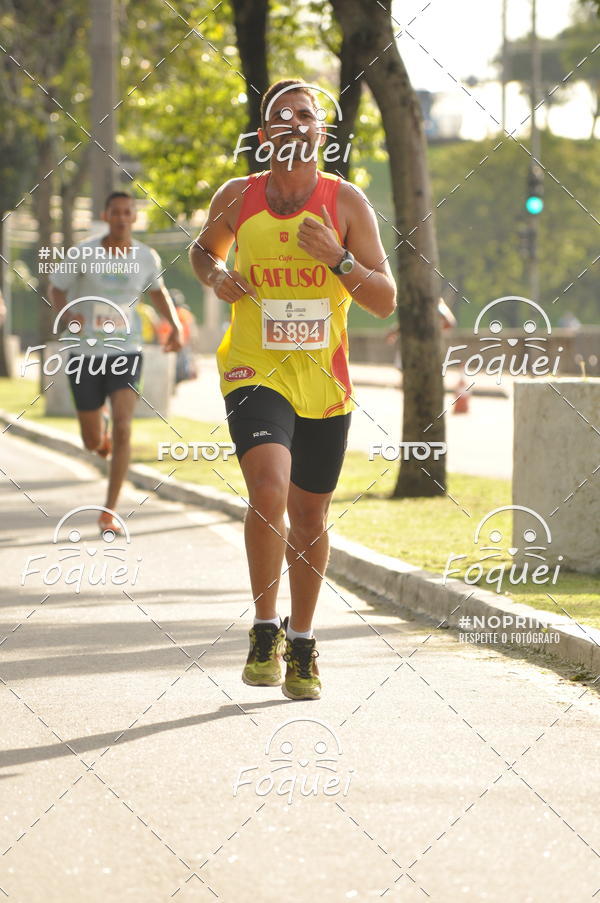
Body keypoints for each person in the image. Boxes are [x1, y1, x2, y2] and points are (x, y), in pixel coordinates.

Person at [190, 79, 396, 700]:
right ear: (263, 137)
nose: (293, 123)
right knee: (269, 487)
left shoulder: (347, 203)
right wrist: (217, 275)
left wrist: (338, 260)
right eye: (279, 117)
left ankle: (301, 640)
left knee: (310, 515)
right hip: (255, 367)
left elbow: (384, 301)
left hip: (324, 379)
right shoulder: (237, 198)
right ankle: (262, 627)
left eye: (305, 115)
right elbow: (203, 253)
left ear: (321, 133)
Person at [49, 191, 183, 535]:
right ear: (106, 216)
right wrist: (69, 317)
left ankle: (109, 511)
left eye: (128, 212)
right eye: (116, 212)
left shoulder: (145, 256)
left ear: (134, 218)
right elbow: (57, 289)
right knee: (92, 441)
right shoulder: (82, 253)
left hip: (126, 351)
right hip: (85, 354)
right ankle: (100, 435)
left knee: (125, 427)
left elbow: (157, 292)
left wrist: (176, 327)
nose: (123, 218)